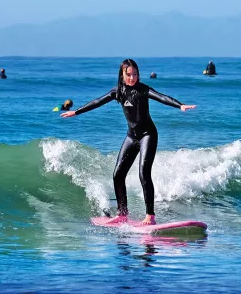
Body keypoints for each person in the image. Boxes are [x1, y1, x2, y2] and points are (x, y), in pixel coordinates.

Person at [61, 59, 196, 225]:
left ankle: (150, 216)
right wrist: (77, 112)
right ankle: (122, 214)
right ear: (122, 75)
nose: (132, 78)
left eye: (135, 74)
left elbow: (161, 97)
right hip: (131, 137)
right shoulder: (118, 92)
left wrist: (180, 105)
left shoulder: (143, 89)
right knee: (118, 174)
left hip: (148, 135)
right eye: (129, 74)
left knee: (143, 173)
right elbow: (98, 102)